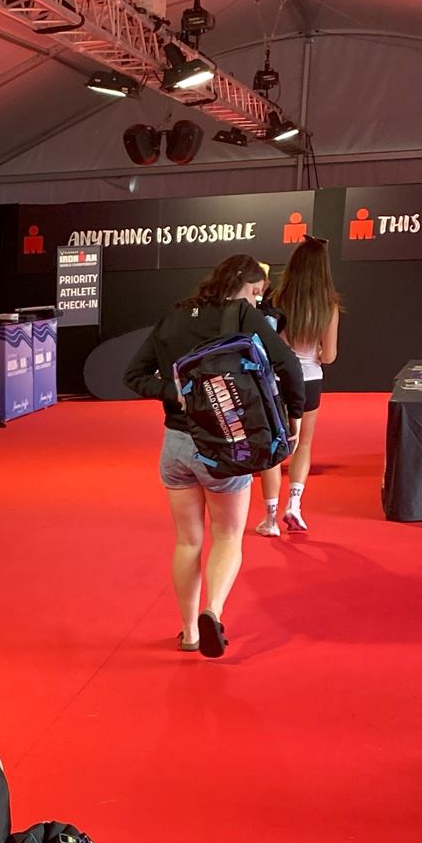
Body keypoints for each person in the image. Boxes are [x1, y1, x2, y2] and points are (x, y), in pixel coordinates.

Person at [125, 253, 304, 658]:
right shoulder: (241, 315)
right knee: (227, 535)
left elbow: (133, 375)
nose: (257, 301)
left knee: (187, 541)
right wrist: (292, 417)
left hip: (176, 444)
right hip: (227, 444)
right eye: (256, 293)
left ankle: (189, 632)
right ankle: (213, 611)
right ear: (246, 287)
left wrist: (176, 394)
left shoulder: (172, 318)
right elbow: (289, 365)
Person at [255, 238, 343, 536]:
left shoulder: (277, 299)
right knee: (303, 445)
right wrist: (314, 351)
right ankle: (294, 504)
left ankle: (270, 518)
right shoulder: (329, 305)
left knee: (274, 446)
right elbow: (329, 356)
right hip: (310, 379)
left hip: (278, 380)